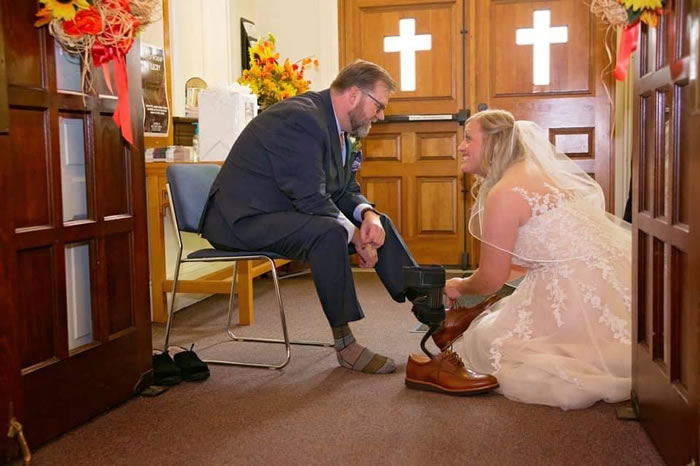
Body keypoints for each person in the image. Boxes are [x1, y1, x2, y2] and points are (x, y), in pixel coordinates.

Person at [199, 60, 420, 375]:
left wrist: (368, 217)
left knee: (376, 225)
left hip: (281, 212)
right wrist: (355, 237)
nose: (381, 115)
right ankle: (345, 344)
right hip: (241, 220)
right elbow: (310, 196)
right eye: (379, 106)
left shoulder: (340, 128)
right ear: (355, 95)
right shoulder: (301, 119)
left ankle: (428, 307)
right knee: (328, 232)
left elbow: (345, 190)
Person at [441, 109, 632, 409]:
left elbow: (491, 277)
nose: (461, 146)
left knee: (488, 343)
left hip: (577, 287)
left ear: (493, 143)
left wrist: (459, 286)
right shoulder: (536, 174)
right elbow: (526, 258)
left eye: (468, 138)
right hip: (612, 273)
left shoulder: (504, 193)